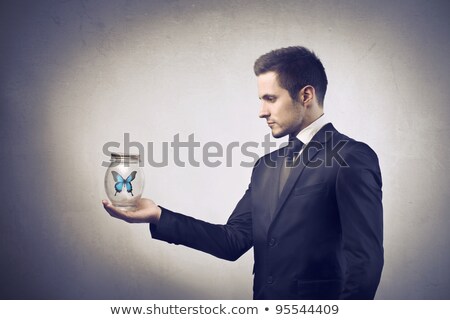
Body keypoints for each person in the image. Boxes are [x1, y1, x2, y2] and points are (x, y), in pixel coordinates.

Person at [102, 46, 384, 299]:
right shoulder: (265, 166)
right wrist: (159, 215)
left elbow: (365, 263)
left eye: (270, 98)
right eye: (261, 100)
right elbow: (232, 241)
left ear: (306, 95)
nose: (262, 112)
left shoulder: (352, 157)